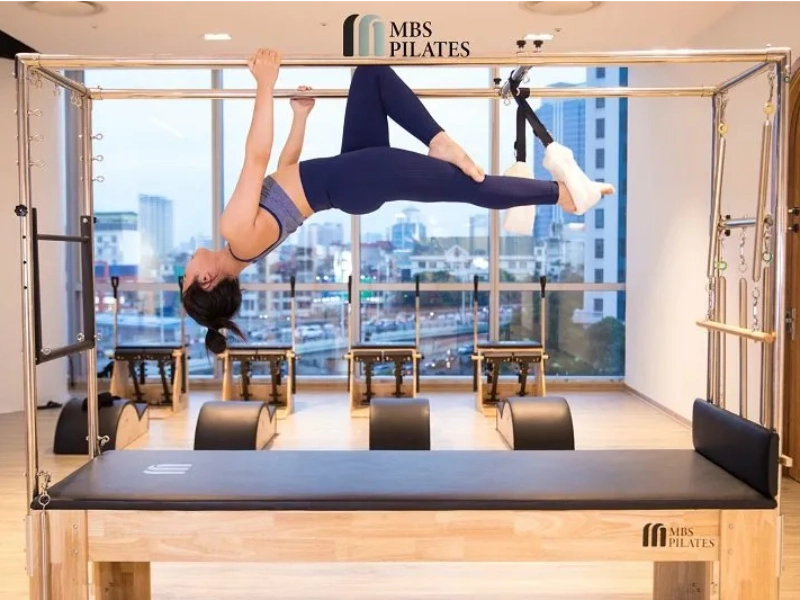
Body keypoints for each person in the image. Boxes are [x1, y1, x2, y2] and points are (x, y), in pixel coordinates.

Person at [181, 48, 614, 354]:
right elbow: (255, 157)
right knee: (466, 185)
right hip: (356, 178)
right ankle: (562, 194)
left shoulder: (244, 248)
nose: (185, 267)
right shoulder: (233, 232)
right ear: (207, 280)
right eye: (186, 278)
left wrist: (300, 117)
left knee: (370, 73)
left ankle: (449, 145)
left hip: (350, 173)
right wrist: (264, 84)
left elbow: (284, 173)